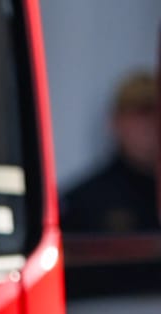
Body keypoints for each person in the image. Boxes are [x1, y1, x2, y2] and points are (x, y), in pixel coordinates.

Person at [61, 70, 160, 233]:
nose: (148, 126)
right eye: (138, 115)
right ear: (115, 122)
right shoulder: (84, 201)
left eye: (154, 115)